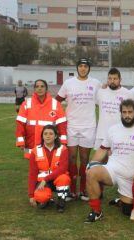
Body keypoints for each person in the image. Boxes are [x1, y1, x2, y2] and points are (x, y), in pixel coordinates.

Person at [85, 99, 134, 222]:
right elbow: (102, 149)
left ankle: (124, 200)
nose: (127, 115)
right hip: (112, 169)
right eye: (124, 112)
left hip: (131, 176)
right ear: (121, 113)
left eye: (130, 112)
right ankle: (96, 211)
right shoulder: (113, 129)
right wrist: (91, 164)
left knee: (127, 211)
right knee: (92, 173)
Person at [56, 58, 101, 201]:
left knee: (84, 159)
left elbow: (104, 101)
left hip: (88, 126)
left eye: (85, 66)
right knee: (71, 158)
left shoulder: (96, 84)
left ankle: (83, 190)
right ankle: (70, 189)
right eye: (80, 66)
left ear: (89, 68)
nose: (83, 68)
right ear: (77, 68)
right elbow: (56, 101)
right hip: (71, 126)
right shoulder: (68, 83)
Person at [16, 79, 67, 159]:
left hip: (51, 142)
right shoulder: (26, 104)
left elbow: (62, 124)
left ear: (46, 89)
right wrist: (20, 141)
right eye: (37, 86)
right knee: (33, 168)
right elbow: (20, 124)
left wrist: (63, 141)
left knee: (49, 167)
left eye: (42, 86)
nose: (39, 88)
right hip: (31, 142)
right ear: (34, 89)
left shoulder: (55, 104)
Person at [28, 125, 70, 213]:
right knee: (41, 198)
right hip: (42, 182)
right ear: (42, 136)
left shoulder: (63, 149)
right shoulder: (35, 151)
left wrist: (46, 179)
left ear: (55, 136)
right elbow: (32, 173)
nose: (48, 136)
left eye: (51, 134)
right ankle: (47, 199)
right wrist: (31, 195)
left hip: (56, 179)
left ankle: (61, 202)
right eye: (45, 134)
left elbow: (63, 168)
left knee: (64, 178)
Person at [95, 67, 133, 149]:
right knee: (100, 160)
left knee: (115, 160)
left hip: (119, 133)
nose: (112, 81)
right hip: (102, 133)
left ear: (120, 79)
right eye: (110, 78)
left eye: (115, 78)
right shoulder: (101, 92)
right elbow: (96, 105)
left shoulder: (127, 94)